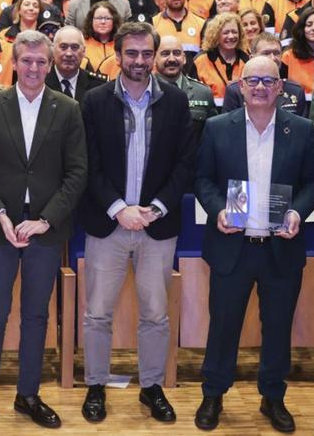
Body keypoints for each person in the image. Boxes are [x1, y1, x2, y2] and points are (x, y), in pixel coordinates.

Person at [0, 30, 88, 431]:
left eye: (40, 61)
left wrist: (46, 220)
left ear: (49, 65)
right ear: (14, 63)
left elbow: (77, 173)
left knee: (36, 315)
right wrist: (0, 215)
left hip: (45, 228)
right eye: (26, 60)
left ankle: (28, 395)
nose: (33, 68)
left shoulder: (67, 109)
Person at [193, 56, 314, 432]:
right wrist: (218, 210)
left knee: (278, 327)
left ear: (280, 87)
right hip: (233, 245)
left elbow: (313, 182)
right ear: (240, 86)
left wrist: (297, 212)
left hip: (280, 246)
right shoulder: (218, 127)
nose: (261, 87)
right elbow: (202, 180)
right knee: (223, 326)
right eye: (253, 81)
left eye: (269, 80)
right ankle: (213, 394)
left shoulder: (301, 129)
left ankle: (273, 397)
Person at [79, 23, 193, 424]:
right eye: (132, 53)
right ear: (117, 55)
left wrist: (156, 208)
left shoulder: (176, 101)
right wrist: (118, 208)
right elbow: (87, 163)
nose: (139, 61)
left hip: (156, 225)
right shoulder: (94, 101)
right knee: (97, 312)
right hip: (108, 223)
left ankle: (151, 386)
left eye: (147, 53)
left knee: (156, 313)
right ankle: (96, 384)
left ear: (155, 56)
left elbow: (185, 163)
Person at [223, 32, 309, 117]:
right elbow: (229, 124)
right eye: (266, 53)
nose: (273, 58)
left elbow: (301, 125)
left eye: (276, 53)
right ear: (251, 58)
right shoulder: (235, 91)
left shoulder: (296, 91)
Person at [154, 34, 216, 143]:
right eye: (165, 54)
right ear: (154, 58)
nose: (171, 59)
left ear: (184, 59)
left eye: (177, 53)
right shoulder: (143, 92)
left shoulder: (203, 93)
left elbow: (212, 138)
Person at [192, 13, 248, 106]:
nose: (231, 36)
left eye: (234, 32)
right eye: (226, 33)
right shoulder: (200, 61)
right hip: (210, 113)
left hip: (240, 113)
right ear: (216, 35)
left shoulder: (247, 61)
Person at [48, 25, 107, 101]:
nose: (69, 53)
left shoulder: (98, 85)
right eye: (63, 47)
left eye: (74, 47)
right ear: (53, 50)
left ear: (83, 51)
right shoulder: (42, 81)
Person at [81, 1, 122, 79]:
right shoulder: (82, 44)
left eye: (107, 18)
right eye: (99, 18)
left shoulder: (121, 45)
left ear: (114, 21)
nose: (103, 22)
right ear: (91, 21)